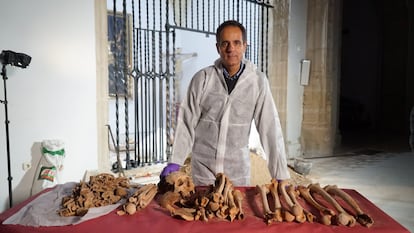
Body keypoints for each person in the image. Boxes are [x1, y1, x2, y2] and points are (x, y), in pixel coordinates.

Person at [167, 20, 290, 186]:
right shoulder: (202, 79)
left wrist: (279, 172)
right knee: (203, 210)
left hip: (237, 172)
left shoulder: (257, 82)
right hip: (204, 170)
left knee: (235, 210)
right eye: (225, 43)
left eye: (236, 43)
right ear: (218, 47)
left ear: (245, 46)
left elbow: (269, 128)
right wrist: (176, 161)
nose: (231, 49)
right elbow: (187, 123)